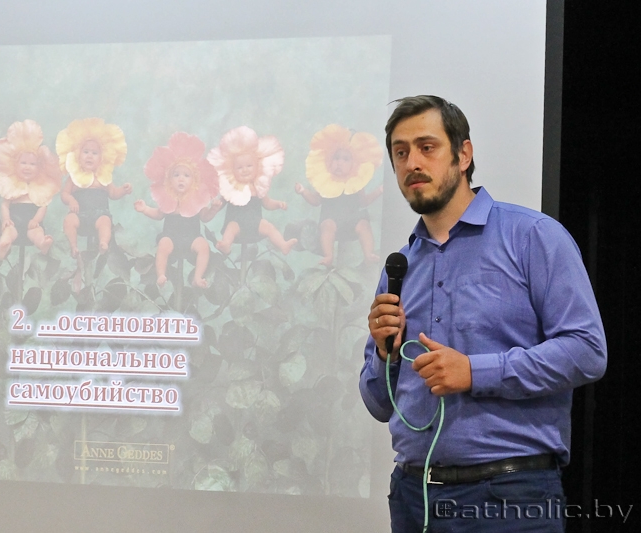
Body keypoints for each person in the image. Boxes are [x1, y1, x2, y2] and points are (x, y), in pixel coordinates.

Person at [359, 95, 607, 532]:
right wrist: (384, 354)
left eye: (427, 147)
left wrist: (475, 372)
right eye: (400, 152)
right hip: (414, 498)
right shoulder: (400, 267)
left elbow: (587, 351)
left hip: (509, 495)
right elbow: (379, 403)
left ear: (463, 154)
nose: (412, 162)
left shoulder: (533, 236)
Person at [134, 131, 221, 287]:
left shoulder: (197, 198)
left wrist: (213, 209)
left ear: (195, 179)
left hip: (192, 237)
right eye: (176, 175)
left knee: (203, 247)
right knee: (163, 245)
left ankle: (197, 277)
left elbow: (205, 217)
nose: (181, 178)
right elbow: (158, 214)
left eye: (187, 175)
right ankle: (161, 275)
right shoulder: (167, 198)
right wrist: (145, 209)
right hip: (171, 236)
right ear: (169, 178)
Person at [294, 124, 384, 266]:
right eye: (336, 158)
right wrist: (303, 191)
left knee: (364, 225)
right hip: (331, 219)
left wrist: (378, 191)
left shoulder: (356, 181)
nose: (339, 163)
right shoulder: (325, 181)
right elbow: (316, 201)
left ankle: (368, 254)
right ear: (329, 160)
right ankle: (328, 256)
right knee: (327, 226)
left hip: (352, 220)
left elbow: (363, 202)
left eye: (346, 159)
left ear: (354, 164)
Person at [206, 126, 297, 255]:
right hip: (236, 223)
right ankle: (226, 245)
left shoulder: (258, 186)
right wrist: (215, 207)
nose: (245, 170)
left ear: (257, 167)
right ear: (232, 170)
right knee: (230, 228)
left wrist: (278, 204)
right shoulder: (230, 188)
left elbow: (267, 203)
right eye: (239, 167)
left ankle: (283, 244)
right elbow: (221, 203)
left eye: (249, 166)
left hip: (255, 223)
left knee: (269, 227)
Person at [56, 118, 133, 257]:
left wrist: (123, 190)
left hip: (99, 215)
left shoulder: (103, 177)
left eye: (94, 153)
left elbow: (113, 193)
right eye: (85, 152)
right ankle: (74, 247)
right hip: (79, 215)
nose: (89, 156)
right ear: (78, 154)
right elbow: (64, 194)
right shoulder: (73, 177)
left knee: (105, 222)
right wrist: (71, 200)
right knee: (69, 220)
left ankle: (103, 243)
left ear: (102, 158)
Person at [0, 119, 61, 259]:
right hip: (14, 222)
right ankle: (4, 245)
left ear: (39, 167)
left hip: (31, 224)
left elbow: (43, 206)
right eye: (23, 163)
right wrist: (6, 219)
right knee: (9, 231)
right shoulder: (11, 184)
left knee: (37, 232)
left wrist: (36, 220)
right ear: (15, 164)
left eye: (32, 164)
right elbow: (5, 205)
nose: (27, 167)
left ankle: (42, 243)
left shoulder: (41, 187)